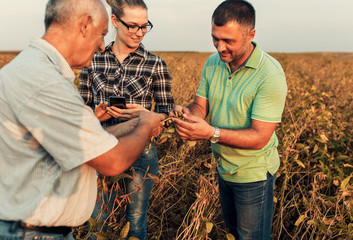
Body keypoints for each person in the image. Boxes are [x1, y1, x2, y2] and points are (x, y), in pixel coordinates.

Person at [0, 0, 165, 239]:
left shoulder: (30, 69)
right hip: (32, 233)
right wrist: (145, 125)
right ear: (85, 25)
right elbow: (112, 162)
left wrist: (132, 123)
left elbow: (77, 139)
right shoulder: (46, 83)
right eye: (101, 35)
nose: (100, 46)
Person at [172, 1, 287, 239]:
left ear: (250, 35)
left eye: (229, 41)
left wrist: (209, 133)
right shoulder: (214, 63)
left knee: (251, 236)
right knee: (234, 231)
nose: (220, 47)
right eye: (215, 38)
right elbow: (200, 108)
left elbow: (259, 138)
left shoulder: (270, 75)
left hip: (253, 174)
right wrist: (183, 116)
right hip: (224, 168)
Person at [78, 0, 174, 239]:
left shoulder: (155, 64)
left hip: (141, 152)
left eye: (144, 26)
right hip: (101, 148)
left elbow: (166, 110)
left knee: (136, 222)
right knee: (99, 221)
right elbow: (80, 110)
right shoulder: (92, 60)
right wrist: (95, 114)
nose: (139, 32)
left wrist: (146, 116)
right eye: (132, 26)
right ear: (114, 22)